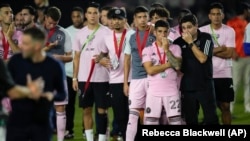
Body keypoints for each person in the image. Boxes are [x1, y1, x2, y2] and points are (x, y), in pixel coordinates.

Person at [6, 27, 67, 141]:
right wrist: (28, 91)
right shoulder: (15, 62)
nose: (20, 46)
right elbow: (6, 89)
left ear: (37, 46)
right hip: (17, 123)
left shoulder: (54, 65)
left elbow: (62, 94)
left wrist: (50, 95)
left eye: (25, 43)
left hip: (42, 124)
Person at [72, 2, 110, 141]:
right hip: (84, 78)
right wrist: (75, 78)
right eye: (90, 13)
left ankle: (101, 138)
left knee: (102, 110)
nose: (93, 15)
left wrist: (103, 58)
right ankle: (89, 139)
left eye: (95, 12)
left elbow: (112, 54)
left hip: (102, 78)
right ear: (86, 15)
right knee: (86, 109)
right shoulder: (79, 34)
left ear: (99, 14)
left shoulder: (107, 32)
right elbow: (76, 57)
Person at [173, 14, 219, 125]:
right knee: (190, 120)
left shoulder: (206, 38)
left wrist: (190, 43)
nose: (186, 30)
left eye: (189, 27)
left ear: (196, 26)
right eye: (183, 28)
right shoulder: (178, 43)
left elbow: (203, 59)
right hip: (187, 87)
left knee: (211, 119)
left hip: (205, 86)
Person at [199, 2, 236, 125]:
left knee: (225, 106)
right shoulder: (202, 31)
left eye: (218, 14)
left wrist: (208, 51)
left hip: (225, 73)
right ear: (209, 16)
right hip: (207, 74)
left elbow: (229, 53)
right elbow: (199, 52)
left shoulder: (229, 31)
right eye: (213, 14)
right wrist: (220, 49)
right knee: (209, 108)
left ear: (223, 15)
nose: (216, 17)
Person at [98, 8, 130, 141]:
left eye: (120, 19)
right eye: (114, 19)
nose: (117, 22)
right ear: (110, 21)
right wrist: (101, 59)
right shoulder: (106, 37)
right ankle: (125, 136)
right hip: (115, 80)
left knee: (133, 114)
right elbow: (102, 54)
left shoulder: (132, 34)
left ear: (125, 20)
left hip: (132, 79)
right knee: (120, 115)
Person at [123, 6, 155, 141]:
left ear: (148, 18)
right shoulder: (130, 35)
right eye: (139, 17)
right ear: (134, 20)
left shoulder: (155, 32)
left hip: (153, 78)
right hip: (136, 79)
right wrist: (126, 83)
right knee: (133, 115)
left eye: (144, 17)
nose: (142, 20)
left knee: (151, 115)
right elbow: (127, 60)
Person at [142, 20, 182, 125]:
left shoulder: (175, 48)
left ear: (168, 32)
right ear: (154, 32)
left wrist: (167, 50)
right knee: (151, 124)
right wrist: (169, 64)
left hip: (172, 92)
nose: (163, 34)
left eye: (165, 32)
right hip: (154, 92)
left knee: (176, 123)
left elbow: (177, 66)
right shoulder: (148, 50)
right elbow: (150, 70)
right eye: (160, 31)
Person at [43, 6, 72, 141]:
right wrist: (46, 50)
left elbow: (70, 57)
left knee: (60, 107)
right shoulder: (37, 31)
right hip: (39, 76)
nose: (52, 25)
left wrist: (56, 57)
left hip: (57, 76)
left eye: (55, 23)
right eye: (50, 22)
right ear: (45, 17)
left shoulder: (64, 33)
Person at [64, 6, 84, 139]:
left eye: (79, 16)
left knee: (86, 105)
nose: (76, 18)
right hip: (69, 73)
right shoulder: (66, 32)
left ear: (83, 16)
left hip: (85, 74)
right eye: (74, 16)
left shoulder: (89, 31)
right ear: (71, 18)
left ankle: (85, 130)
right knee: (69, 104)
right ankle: (68, 130)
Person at [227, 2, 250, 113]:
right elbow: (227, 39)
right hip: (237, 57)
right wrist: (232, 51)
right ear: (245, 11)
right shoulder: (231, 23)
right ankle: (230, 108)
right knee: (235, 83)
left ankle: (248, 107)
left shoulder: (247, 23)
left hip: (248, 57)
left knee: (248, 83)